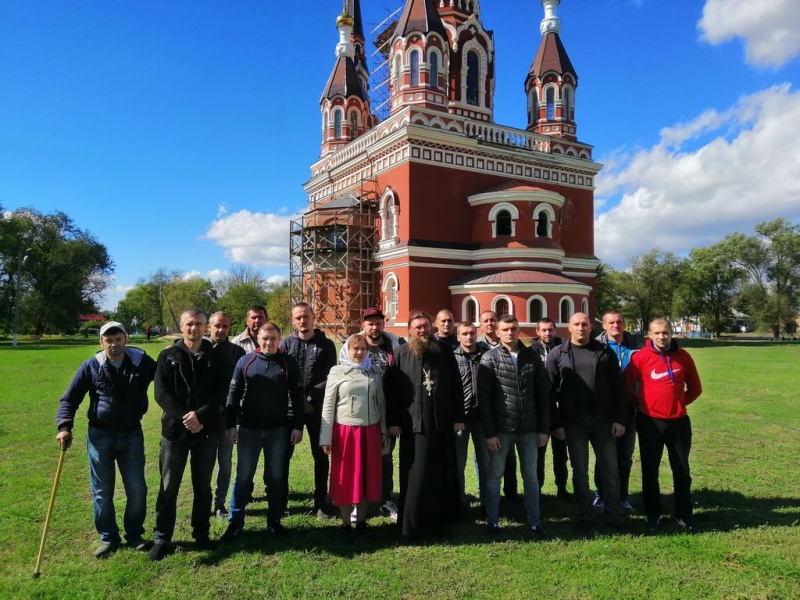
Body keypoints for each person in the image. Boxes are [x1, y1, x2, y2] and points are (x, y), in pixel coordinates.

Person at [55, 321, 156, 558]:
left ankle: (134, 534)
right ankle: (109, 537)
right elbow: (69, 399)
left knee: (137, 488)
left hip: (132, 433)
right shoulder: (91, 366)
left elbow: (166, 378)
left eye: (118, 339)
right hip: (100, 435)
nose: (114, 344)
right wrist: (64, 426)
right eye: (108, 340)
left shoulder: (142, 363)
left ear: (125, 338)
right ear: (101, 342)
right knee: (102, 490)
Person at [149, 308, 228, 561]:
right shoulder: (167, 356)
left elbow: (222, 394)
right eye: (189, 324)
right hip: (175, 434)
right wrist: (187, 417)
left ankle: (201, 533)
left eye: (199, 324)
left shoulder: (216, 357)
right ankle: (162, 538)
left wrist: (200, 417)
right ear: (181, 327)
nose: (194, 329)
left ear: (206, 327)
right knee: (168, 488)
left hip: (206, 432)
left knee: (202, 488)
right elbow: (161, 394)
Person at [385, 310, 465, 543]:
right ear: (410, 329)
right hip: (413, 426)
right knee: (416, 477)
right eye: (418, 327)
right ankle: (409, 528)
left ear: (431, 328)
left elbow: (456, 387)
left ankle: (436, 525)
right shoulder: (400, 354)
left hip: (441, 425)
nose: (422, 330)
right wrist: (393, 422)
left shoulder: (444, 352)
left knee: (439, 476)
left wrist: (458, 416)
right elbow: (391, 392)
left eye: (426, 326)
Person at [546, 312, 628, 534]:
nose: (581, 328)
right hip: (573, 423)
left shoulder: (604, 352)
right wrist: (556, 424)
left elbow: (618, 388)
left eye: (584, 324)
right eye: (576, 324)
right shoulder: (558, 354)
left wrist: (620, 419)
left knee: (610, 469)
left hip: (603, 421)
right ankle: (584, 514)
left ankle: (614, 515)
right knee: (579, 470)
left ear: (591, 326)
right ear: (569, 328)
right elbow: (550, 392)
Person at [221, 323, 304, 542]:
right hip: (249, 429)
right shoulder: (245, 362)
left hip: (278, 430)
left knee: (276, 477)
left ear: (279, 339)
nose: (268, 343)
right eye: (265, 339)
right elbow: (233, 394)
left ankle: (274, 521)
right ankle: (235, 522)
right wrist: (230, 425)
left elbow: (297, 396)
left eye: (273, 339)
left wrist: (297, 425)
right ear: (258, 338)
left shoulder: (288, 363)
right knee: (243, 477)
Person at [626, 319, 702, 533]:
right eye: (657, 333)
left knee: (681, 469)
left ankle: (684, 514)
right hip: (649, 422)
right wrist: (642, 404)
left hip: (678, 423)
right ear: (649, 335)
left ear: (671, 333)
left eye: (666, 333)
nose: (662, 337)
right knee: (650, 470)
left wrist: (677, 404)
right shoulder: (640, 358)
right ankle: (653, 514)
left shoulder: (684, 357)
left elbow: (695, 388)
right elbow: (627, 386)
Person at [478, 315, 551, 539]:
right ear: (498, 333)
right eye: (505, 329)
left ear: (520, 331)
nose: (510, 333)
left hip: (529, 428)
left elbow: (543, 395)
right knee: (494, 476)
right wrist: (489, 433)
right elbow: (485, 399)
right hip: (501, 428)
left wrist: (544, 429)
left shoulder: (532, 357)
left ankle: (534, 522)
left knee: (530, 476)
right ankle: (493, 521)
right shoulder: (488, 359)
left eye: (514, 328)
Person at [320, 334, 387, 539]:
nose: (359, 353)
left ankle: (361, 522)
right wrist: (325, 437)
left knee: (366, 477)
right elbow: (328, 405)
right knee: (348, 478)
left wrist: (383, 429)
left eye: (363, 349)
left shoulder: (374, 371)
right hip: (346, 433)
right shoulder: (337, 372)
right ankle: (346, 524)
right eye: (355, 349)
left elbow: (381, 403)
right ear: (347, 350)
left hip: (370, 431)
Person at [279, 302, 337, 520]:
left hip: (317, 408)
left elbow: (330, 377)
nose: (302, 321)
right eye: (298, 318)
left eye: (306, 317)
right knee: (283, 456)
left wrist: (309, 397)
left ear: (314, 318)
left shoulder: (326, 345)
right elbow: (280, 376)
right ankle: (281, 500)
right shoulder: (284, 345)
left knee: (320, 456)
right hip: (290, 409)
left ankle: (321, 501)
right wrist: (297, 400)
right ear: (293, 320)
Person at [594, 310, 641, 515]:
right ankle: (600, 496)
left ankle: (622, 497)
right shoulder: (596, 347)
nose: (616, 325)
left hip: (629, 409)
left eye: (619, 322)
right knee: (604, 456)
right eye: (611, 322)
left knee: (624, 455)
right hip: (604, 410)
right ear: (604, 325)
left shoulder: (636, 348)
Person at [361, 307, 405, 520]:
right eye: (370, 323)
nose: (374, 327)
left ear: (383, 324)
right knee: (361, 455)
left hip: (388, 409)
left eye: (378, 323)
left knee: (385, 455)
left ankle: (385, 498)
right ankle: (360, 498)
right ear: (364, 326)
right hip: (362, 409)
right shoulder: (355, 346)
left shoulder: (395, 346)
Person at [477, 309, 520, 502]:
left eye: (492, 320)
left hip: (508, 412)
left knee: (510, 456)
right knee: (486, 459)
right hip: (489, 411)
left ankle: (511, 492)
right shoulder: (478, 346)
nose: (489, 324)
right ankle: (487, 495)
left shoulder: (511, 346)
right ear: (481, 324)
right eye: (485, 321)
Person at [206, 311, 246, 519]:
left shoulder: (237, 352)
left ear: (230, 328)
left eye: (225, 326)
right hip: (204, 417)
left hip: (227, 416)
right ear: (209, 327)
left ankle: (220, 503)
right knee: (204, 462)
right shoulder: (200, 349)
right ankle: (203, 501)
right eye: (217, 326)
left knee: (225, 460)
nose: (220, 330)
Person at [530, 317, 571, 502]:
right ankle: (536, 491)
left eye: (551, 329)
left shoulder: (564, 349)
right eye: (544, 330)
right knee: (537, 456)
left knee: (561, 454)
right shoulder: (530, 352)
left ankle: (562, 489)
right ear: (537, 332)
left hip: (560, 411)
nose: (548, 333)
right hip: (539, 412)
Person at [452, 321, 490, 513]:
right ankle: (460, 501)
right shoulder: (452, 358)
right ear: (458, 337)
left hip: (482, 417)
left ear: (477, 334)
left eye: (472, 333)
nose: (469, 337)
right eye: (464, 334)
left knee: (485, 461)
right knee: (459, 462)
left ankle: (486, 501)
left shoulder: (486, 356)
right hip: (461, 418)